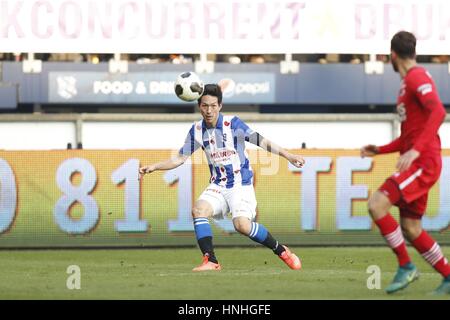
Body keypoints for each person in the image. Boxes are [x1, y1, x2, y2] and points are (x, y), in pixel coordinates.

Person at [139, 83, 305, 272]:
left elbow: (262, 141)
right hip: (218, 184)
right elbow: (179, 158)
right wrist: (154, 167)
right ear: (199, 106)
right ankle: (211, 260)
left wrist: (288, 155)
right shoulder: (196, 130)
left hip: (240, 184)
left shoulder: (232, 124)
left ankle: (282, 251)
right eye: (204, 106)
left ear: (220, 106)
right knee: (198, 210)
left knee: (241, 225)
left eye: (213, 105)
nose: (209, 110)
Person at [361, 31, 449, 295]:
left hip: (424, 162)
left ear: (392, 56)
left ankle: (406, 265)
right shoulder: (407, 83)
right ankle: (448, 275)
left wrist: (415, 152)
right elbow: (408, 137)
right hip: (418, 161)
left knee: (377, 205)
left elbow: (439, 111)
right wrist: (381, 150)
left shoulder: (416, 77)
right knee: (411, 228)